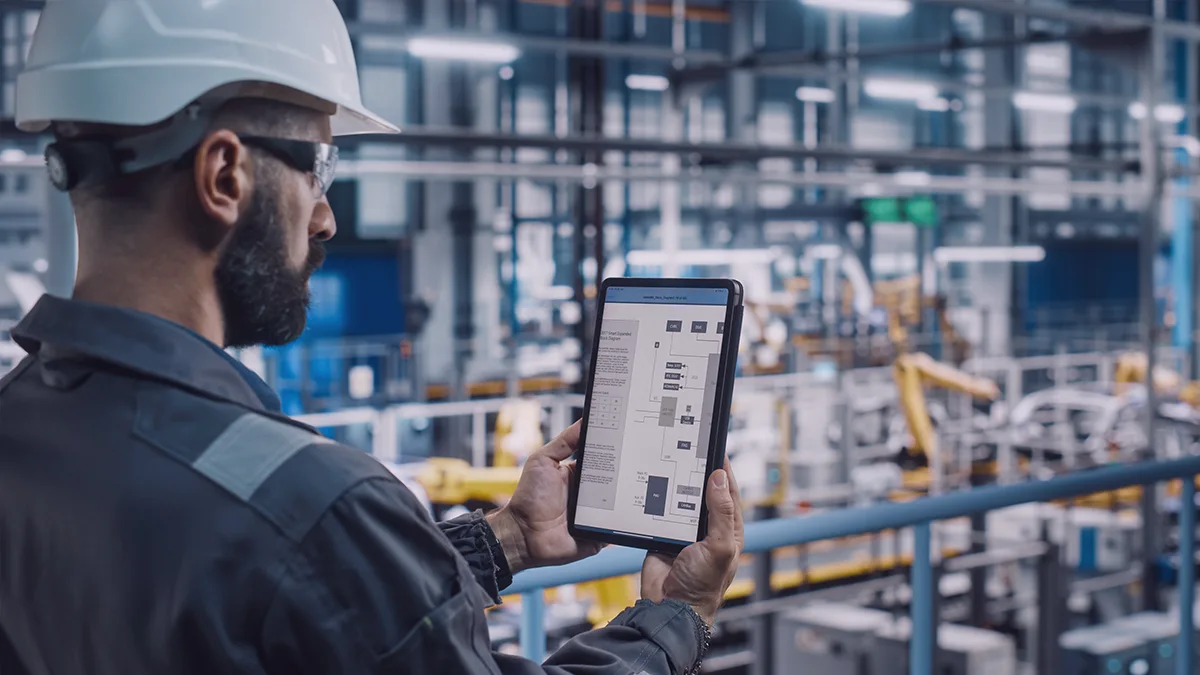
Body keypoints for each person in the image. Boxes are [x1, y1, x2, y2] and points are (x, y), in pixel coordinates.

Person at [0, 2, 744, 674]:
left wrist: (509, 536)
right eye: (318, 169)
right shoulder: (316, 504)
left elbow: (305, 605)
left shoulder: (21, 428)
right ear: (223, 174)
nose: (325, 218)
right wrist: (674, 617)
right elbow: (313, 573)